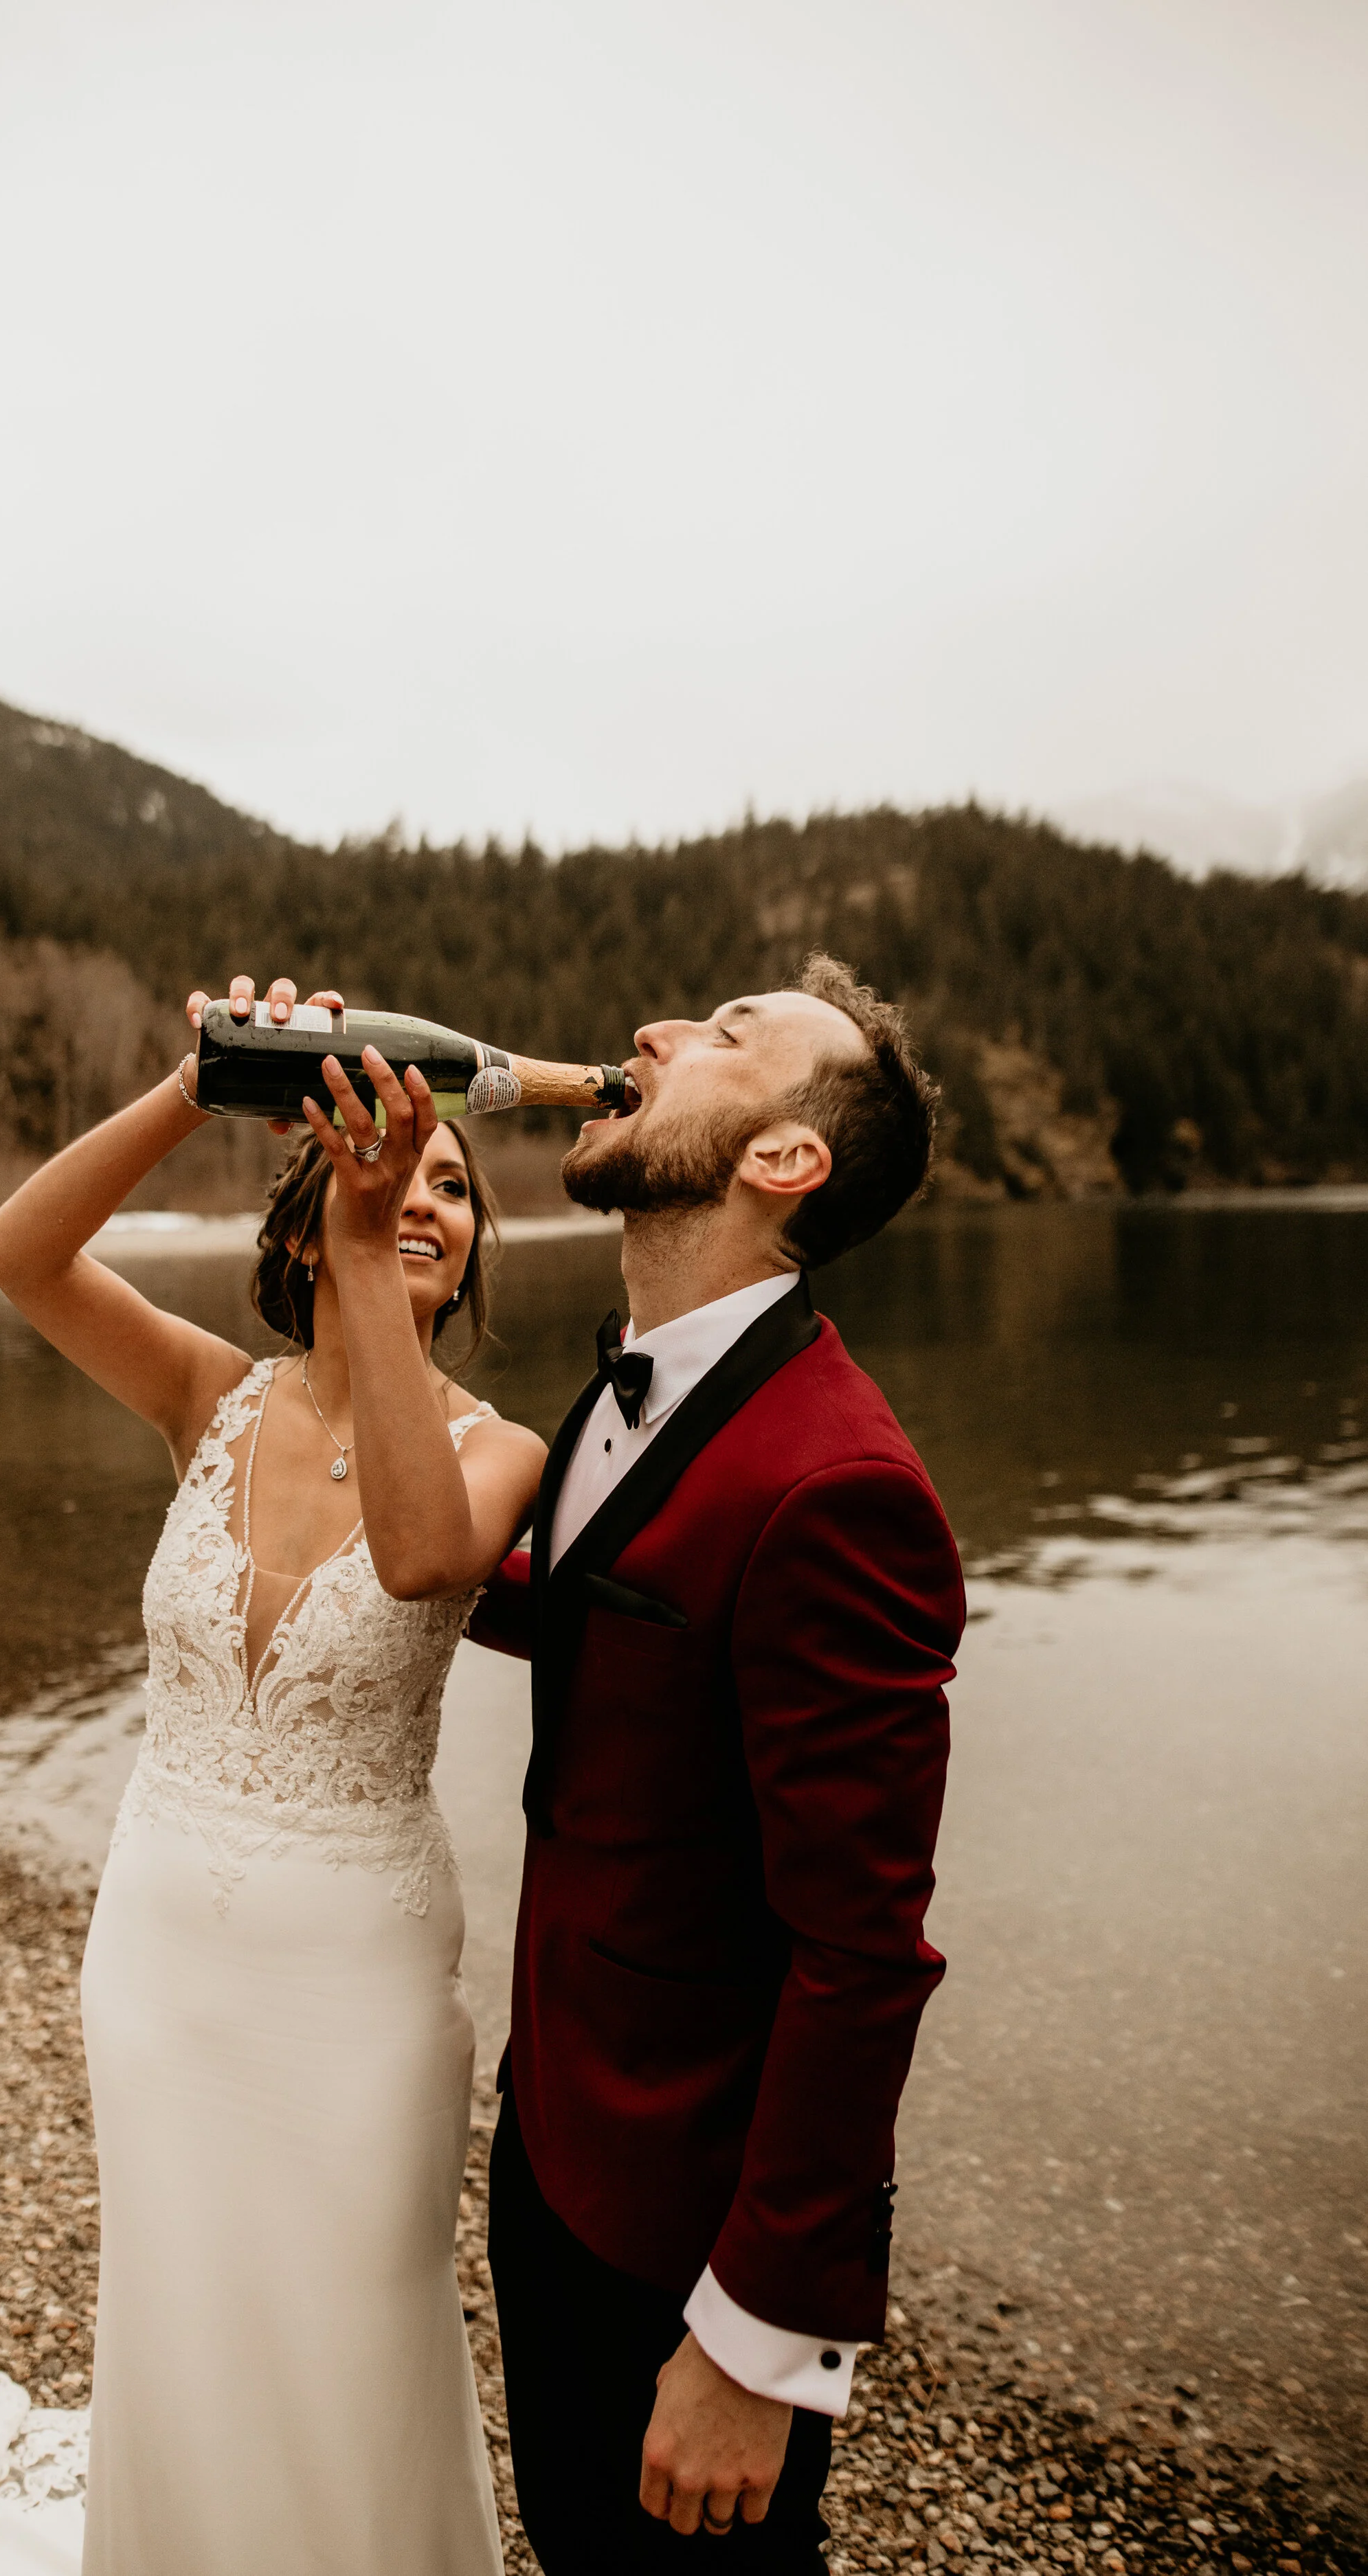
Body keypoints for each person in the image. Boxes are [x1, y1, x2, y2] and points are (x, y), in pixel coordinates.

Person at [0, 976, 546, 2576]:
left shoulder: (498, 1450)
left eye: (452, 1186)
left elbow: (429, 1558)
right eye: (390, 1176)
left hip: (355, 1979)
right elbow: (14, 1252)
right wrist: (201, 1081)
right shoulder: (205, 1397)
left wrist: (376, 1247)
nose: (425, 1195)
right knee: (182, 2315)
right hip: (160, 1949)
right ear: (303, 1229)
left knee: (352, 2334)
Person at [467, 953, 967, 2570]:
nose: (651, 1037)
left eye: (721, 1036)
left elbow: (858, 1957)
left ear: (783, 1160)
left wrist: (756, 2345)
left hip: (687, 2238)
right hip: (555, 2140)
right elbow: (575, 1625)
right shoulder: (640, 1377)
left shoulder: (839, 1490)